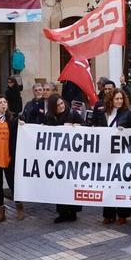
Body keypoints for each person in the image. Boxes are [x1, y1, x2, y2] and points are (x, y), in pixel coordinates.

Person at [93, 88, 131, 224]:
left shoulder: (128, 113)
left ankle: (123, 215)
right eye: (117, 99)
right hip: (107, 153)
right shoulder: (103, 113)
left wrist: (126, 131)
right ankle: (108, 214)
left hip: (122, 153)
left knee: (122, 184)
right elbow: (95, 127)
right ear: (111, 100)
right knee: (107, 184)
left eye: (121, 99)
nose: (119, 101)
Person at [47, 94, 84, 223]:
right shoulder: (50, 117)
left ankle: (73, 211)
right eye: (57, 105)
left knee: (71, 184)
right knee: (59, 184)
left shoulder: (72, 113)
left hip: (72, 156)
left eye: (62, 103)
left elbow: (85, 126)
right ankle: (62, 212)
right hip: (57, 157)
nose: (61, 106)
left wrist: (77, 127)